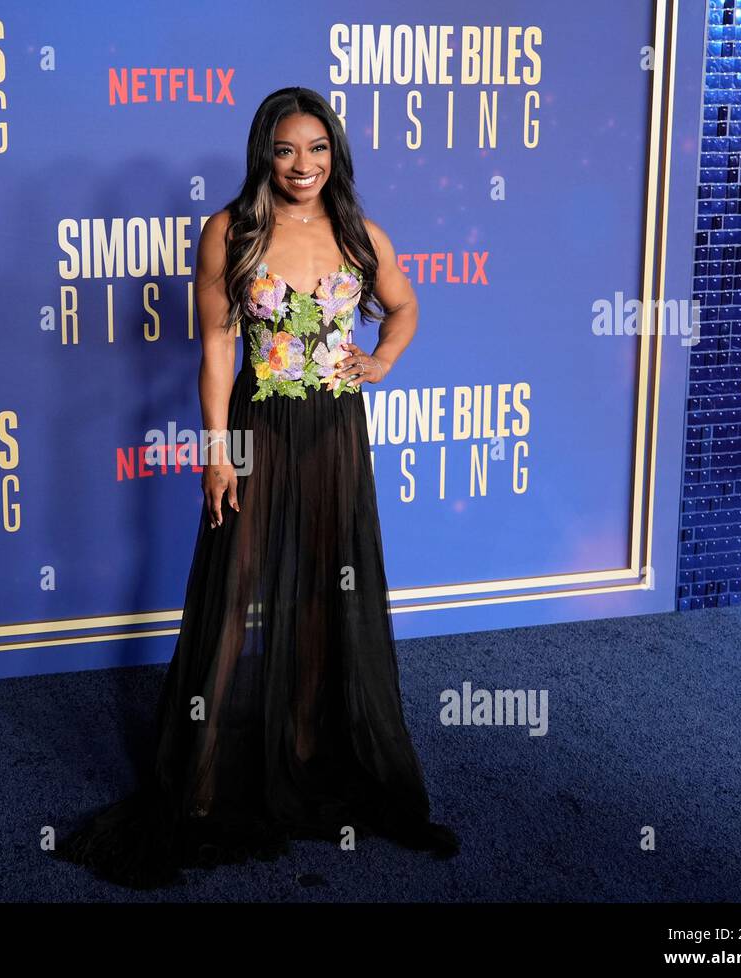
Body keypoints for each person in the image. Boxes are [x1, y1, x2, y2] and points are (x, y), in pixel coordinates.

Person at [51, 86, 459, 889]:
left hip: (335, 435)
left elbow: (404, 310)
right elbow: (215, 348)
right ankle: (199, 781)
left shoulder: (359, 233)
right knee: (234, 592)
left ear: (334, 153)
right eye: (285, 149)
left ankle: (303, 755)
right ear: (263, 154)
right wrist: (219, 449)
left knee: (320, 594)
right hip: (257, 431)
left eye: (316, 148)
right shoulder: (230, 232)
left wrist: (379, 361)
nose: (302, 165)